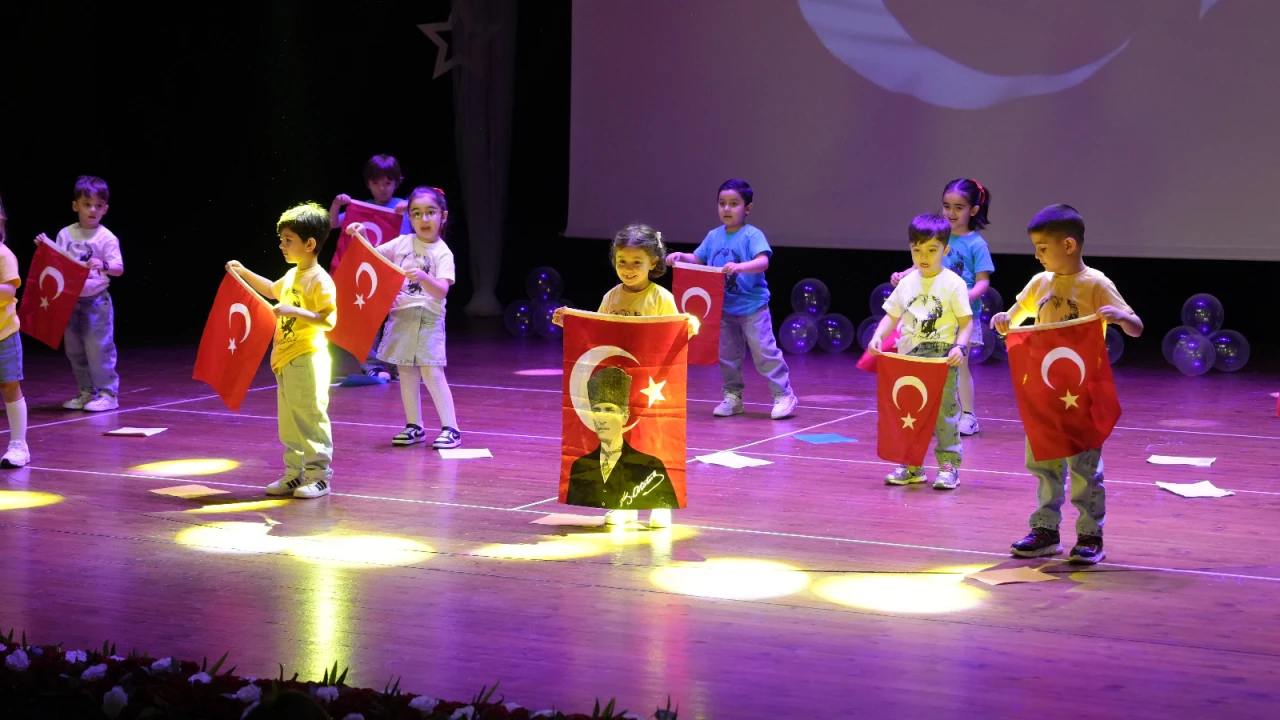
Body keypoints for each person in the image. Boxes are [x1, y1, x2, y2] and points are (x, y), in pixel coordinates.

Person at [992, 204, 1143, 564]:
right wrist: (1003, 319)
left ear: (1069, 245)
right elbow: (1013, 319)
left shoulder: (1096, 283)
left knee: (1084, 466)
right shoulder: (1039, 282)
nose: (1037, 255)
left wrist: (1120, 317)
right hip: (1044, 393)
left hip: (1081, 394)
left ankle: (1090, 535)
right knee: (1044, 464)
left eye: (1043, 248)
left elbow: (1137, 327)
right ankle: (1045, 530)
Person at [555, 222, 697, 528]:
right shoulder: (611, 297)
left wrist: (688, 326)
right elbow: (596, 332)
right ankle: (623, 501)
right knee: (618, 443)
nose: (628, 269)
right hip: (618, 385)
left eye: (636, 262)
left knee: (653, 440)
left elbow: (673, 333)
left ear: (653, 263)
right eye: (622, 261)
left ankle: (659, 502)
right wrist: (571, 322)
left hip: (651, 385)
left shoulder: (660, 298)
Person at [228, 203, 337, 499]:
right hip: (285, 359)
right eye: (282, 239)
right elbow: (271, 290)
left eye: (288, 240)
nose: (282, 245)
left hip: (308, 357)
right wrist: (243, 272)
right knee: (289, 422)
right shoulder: (292, 275)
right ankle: (293, 473)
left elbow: (328, 320)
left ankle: (319, 476)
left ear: (309, 244)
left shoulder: (319, 279)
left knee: (310, 418)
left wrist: (295, 311)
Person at [665, 179, 798, 420]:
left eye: (734, 204)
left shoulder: (752, 235)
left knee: (764, 353)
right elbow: (697, 258)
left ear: (748, 208)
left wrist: (740, 267)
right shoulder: (713, 236)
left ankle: (783, 394)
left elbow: (763, 262)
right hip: (723, 309)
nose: (727, 208)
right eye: (722, 203)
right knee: (727, 356)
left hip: (753, 308)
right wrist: (681, 257)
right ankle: (733, 397)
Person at [869, 213, 973, 490]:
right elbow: (891, 315)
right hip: (909, 357)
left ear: (945, 250)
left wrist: (960, 347)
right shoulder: (907, 282)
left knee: (944, 413)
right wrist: (878, 336)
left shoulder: (954, 283)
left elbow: (966, 322)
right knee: (909, 411)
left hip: (941, 357)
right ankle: (911, 465)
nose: (923, 257)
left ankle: (949, 465)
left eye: (931, 250)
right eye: (917, 250)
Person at [354, 186, 460, 450]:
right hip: (401, 315)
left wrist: (424, 277)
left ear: (443, 216)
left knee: (431, 371)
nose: (424, 219)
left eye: (431, 212)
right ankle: (415, 426)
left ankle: (451, 429)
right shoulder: (402, 243)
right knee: (405, 371)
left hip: (428, 318)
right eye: (417, 213)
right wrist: (362, 234)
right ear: (409, 217)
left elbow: (442, 290)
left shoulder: (442, 252)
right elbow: (373, 257)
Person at [890, 178, 994, 436]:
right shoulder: (937, 237)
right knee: (930, 365)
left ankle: (968, 416)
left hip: (960, 318)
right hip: (933, 316)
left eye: (959, 207)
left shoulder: (976, 244)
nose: (951, 212)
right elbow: (920, 265)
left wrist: (964, 296)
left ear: (973, 210)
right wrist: (903, 275)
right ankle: (934, 413)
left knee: (959, 366)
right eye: (947, 206)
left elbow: (983, 282)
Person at [35, 175, 123, 412]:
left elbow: (118, 268)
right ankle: (86, 391)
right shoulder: (66, 234)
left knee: (98, 348)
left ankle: (108, 393)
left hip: (96, 301)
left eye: (98, 205)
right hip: (70, 301)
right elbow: (58, 262)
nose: (92, 210)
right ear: (76, 206)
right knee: (75, 349)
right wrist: (45, 247)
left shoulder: (106, 237)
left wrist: (103, 265)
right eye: (87, 204)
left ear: (105, 209)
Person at [328, 154, 413, 379]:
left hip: (397, 274)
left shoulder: (405, 207)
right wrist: (336, 204)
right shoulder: (362, 208)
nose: (382, 188)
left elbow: (428, 220)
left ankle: (397, 365)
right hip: (368, 276)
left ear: (396, 183)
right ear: (368, 184)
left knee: (397, 322)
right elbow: (333, 223)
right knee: (367, 322)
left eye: (387, 183)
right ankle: (371, 365)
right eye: (376, 183)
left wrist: (411, 207)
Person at [566, 366, 680, 517]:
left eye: (609, 410)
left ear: (625, 416)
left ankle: (655, 507)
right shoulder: (581, 466)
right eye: (597, 410)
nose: (602, 418)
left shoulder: (650, 465)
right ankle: (624, 507)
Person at [0, 196, 30, 468]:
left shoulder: (4, 255)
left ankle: (19, 445)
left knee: (10, 386)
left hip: (4, 335)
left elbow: (9, 290)